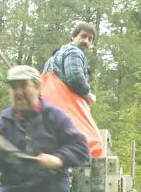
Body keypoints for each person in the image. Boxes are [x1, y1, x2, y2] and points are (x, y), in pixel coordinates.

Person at [42, 22, 103, 157]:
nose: (86, 41)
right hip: (62, 103)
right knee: (93, 143)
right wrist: (88, 94)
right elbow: (75, 78)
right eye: (83, 36)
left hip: (47, 107)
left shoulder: (52, 59)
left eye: (90, 39)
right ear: (73, 38)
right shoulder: (74, 51)